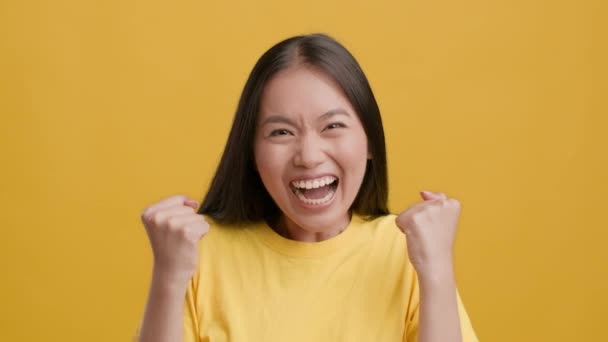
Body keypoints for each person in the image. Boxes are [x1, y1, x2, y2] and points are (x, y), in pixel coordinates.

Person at [134, 33, 479, 342]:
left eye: (332, 126)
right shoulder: (198, 255)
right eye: (281, 132)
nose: (309, 157)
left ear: (370, 141)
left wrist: (436, 268)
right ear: (251, 153)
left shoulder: (408, 252)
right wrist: (168, 274)